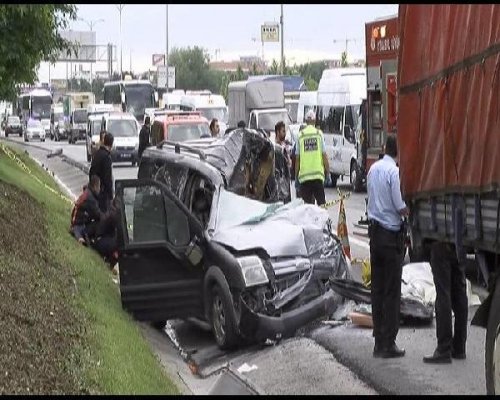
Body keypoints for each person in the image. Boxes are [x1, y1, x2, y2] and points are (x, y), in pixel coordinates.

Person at [367, 135, 409, 359]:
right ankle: (388, 342)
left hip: (375, 236)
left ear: (385, 148)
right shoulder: (394, 172)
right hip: (390, 236)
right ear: (398, 152)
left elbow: (371, 198)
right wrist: (408, 212)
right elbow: (399, 204)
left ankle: (378, 341)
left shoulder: (373, 169)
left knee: (378, 290)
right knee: (392, 292)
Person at [423, 242, 468, 363]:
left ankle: (444, 348)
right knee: (459, 294)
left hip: (441, 240)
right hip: (458, 241)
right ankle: (459, 346)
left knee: (443, 294)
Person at [294, 110, 329, 206]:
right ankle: (323, 221)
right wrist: (328, 171)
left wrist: (296, 175)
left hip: (304, 178)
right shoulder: (319, 134)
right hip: (318, 177)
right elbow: (324, 155)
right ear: (315, 121)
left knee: (307, 208)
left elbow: (297, 158)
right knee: (322, 205)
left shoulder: (300, 135)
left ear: (305, 121)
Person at [70, 175, 103, 244]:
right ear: (95, 186)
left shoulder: (87, 192)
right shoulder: (91, 199)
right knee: (99, 223)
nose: (99, 189)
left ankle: (80, 233)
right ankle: (87, 237)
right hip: (79, 224)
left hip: (76, 221)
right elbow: (98, 215)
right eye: (99, 186)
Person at [89, 132, 114, 213]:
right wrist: (111, 196)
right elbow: (107, 178)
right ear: (111, 144)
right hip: (103, 193)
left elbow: (91, 171)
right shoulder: (106, 157)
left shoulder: (98, 154)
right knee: (104, 214)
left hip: (95, 189)